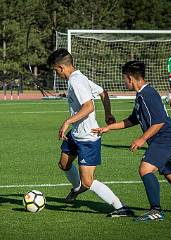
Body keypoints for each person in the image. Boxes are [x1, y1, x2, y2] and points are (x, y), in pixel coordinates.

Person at [92, 60, 171, 222]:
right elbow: (133, 119)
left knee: (145, 169)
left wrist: (142, 138)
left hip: (166, 139)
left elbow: (160, 121)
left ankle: (155, 211)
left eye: (123, 78)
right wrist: (109, 128)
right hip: (168, 139)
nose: (123, 81)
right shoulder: (141, 94)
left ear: (130, 78)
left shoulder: (148, 94)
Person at [47, 48, 134, 217]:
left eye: (55, 70)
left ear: (61, 68)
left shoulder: (76, 81)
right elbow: (103, 93)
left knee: (88, 182)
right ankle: (76, 188)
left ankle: (120, 207)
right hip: (76, 133)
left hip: (88, 137)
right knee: (63, 164)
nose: (55, 74)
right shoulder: (79, 77)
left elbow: (89, 107)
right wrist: (108, 113)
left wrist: (68, 121)